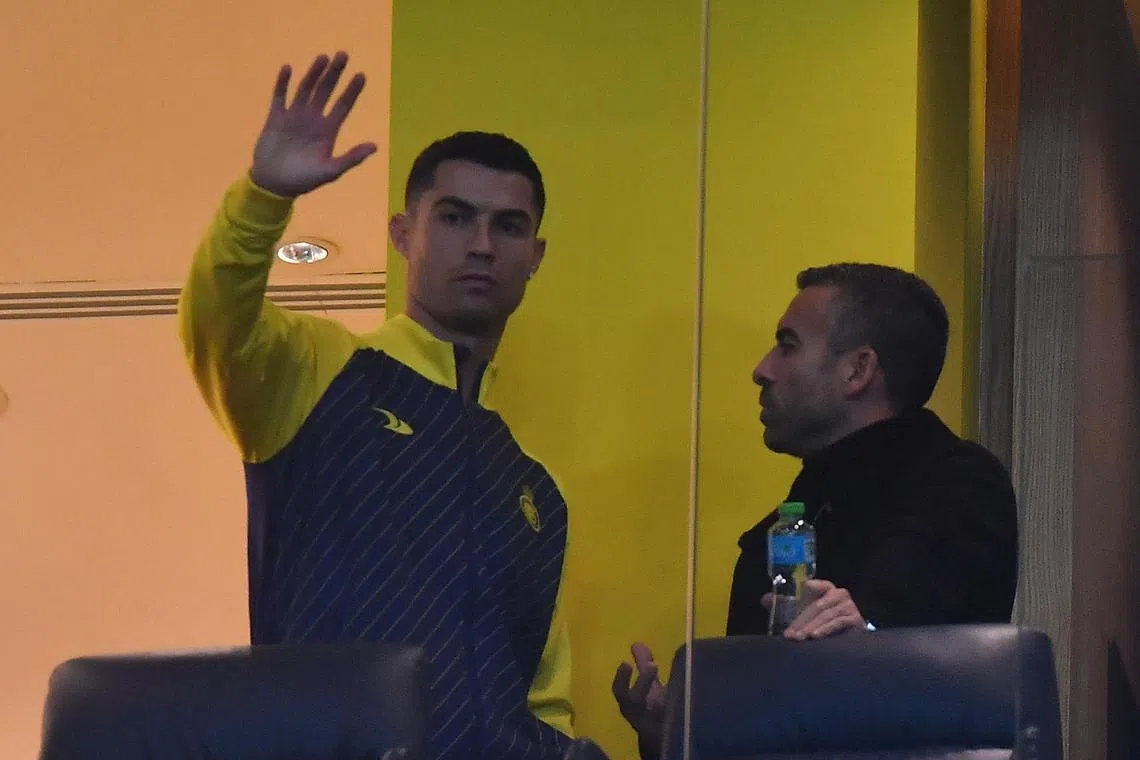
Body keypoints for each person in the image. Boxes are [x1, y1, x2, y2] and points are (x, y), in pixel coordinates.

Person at [178, 51, 573, 760]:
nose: (482, 245)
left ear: (536, 255)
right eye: (455, 217)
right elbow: (215, 322)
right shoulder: (318, 369)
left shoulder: (537, 486)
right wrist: (264, 198)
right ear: (403, 234)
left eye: (509, 227)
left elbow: (543, 693)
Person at [612, 263, 1018, 757]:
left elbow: (908, 668)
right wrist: (678, 738)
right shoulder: (777, 531)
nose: (761, 369)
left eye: (788, 344)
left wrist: (865, 634)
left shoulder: (959, 485)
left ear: (857, 371)